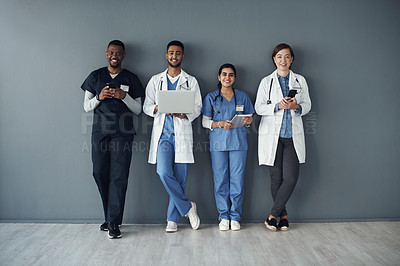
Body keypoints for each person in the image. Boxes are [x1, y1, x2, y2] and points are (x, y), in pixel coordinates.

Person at [81, 40, 144, 239]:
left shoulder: (131, 78)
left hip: (122, 132)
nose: (114, 55)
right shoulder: (95, 76)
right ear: (106, 54)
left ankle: (114, 223)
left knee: (119, 176)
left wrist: (123, 96)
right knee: (99, 173)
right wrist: (100, 97)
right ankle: (110, 216)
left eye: (118, 53)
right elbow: (86, 107)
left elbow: (138, 109)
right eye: (111, 52)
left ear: (124, 55)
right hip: (100, 131)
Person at [143, 40, 202, 232]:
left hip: (182, 132)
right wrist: (160, 107)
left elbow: (198, 107)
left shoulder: (191, 81)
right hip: (163, 136)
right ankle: (188, 207)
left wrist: (184, 114)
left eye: (178, 53)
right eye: (171, 53)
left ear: (182, 56)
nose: (174, 56)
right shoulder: (155, 80)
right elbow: (146, 106)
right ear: (166, 55)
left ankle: (172, 220)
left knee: (180, 177)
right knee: (163, 172)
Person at [255, 43, 311, 231]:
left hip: (292, 137)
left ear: (292, 59)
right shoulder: (266, 81)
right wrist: (278, 105)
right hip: (272, 136)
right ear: (274, 59)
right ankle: (284, 216)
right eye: (279, 56)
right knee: (276, 179)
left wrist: (297, 107)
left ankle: (272, 215)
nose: (283, 60)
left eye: (287, 56)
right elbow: (258, 108)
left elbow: (308, 105)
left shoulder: (300, 81)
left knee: (291, 178)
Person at [201, 63, 254, 231]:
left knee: (237, 181)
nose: (227, 78)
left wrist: (248, 121)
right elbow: (204, 122)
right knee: (220, 181)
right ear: (219, 77)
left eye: (231, 75)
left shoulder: (242, 96)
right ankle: (223, 216)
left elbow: (250, 116)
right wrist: (220, 124)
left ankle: (235, 216)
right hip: (218, 144)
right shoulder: (211, 97)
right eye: (224, 74)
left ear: (235, 78)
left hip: (238, 144)